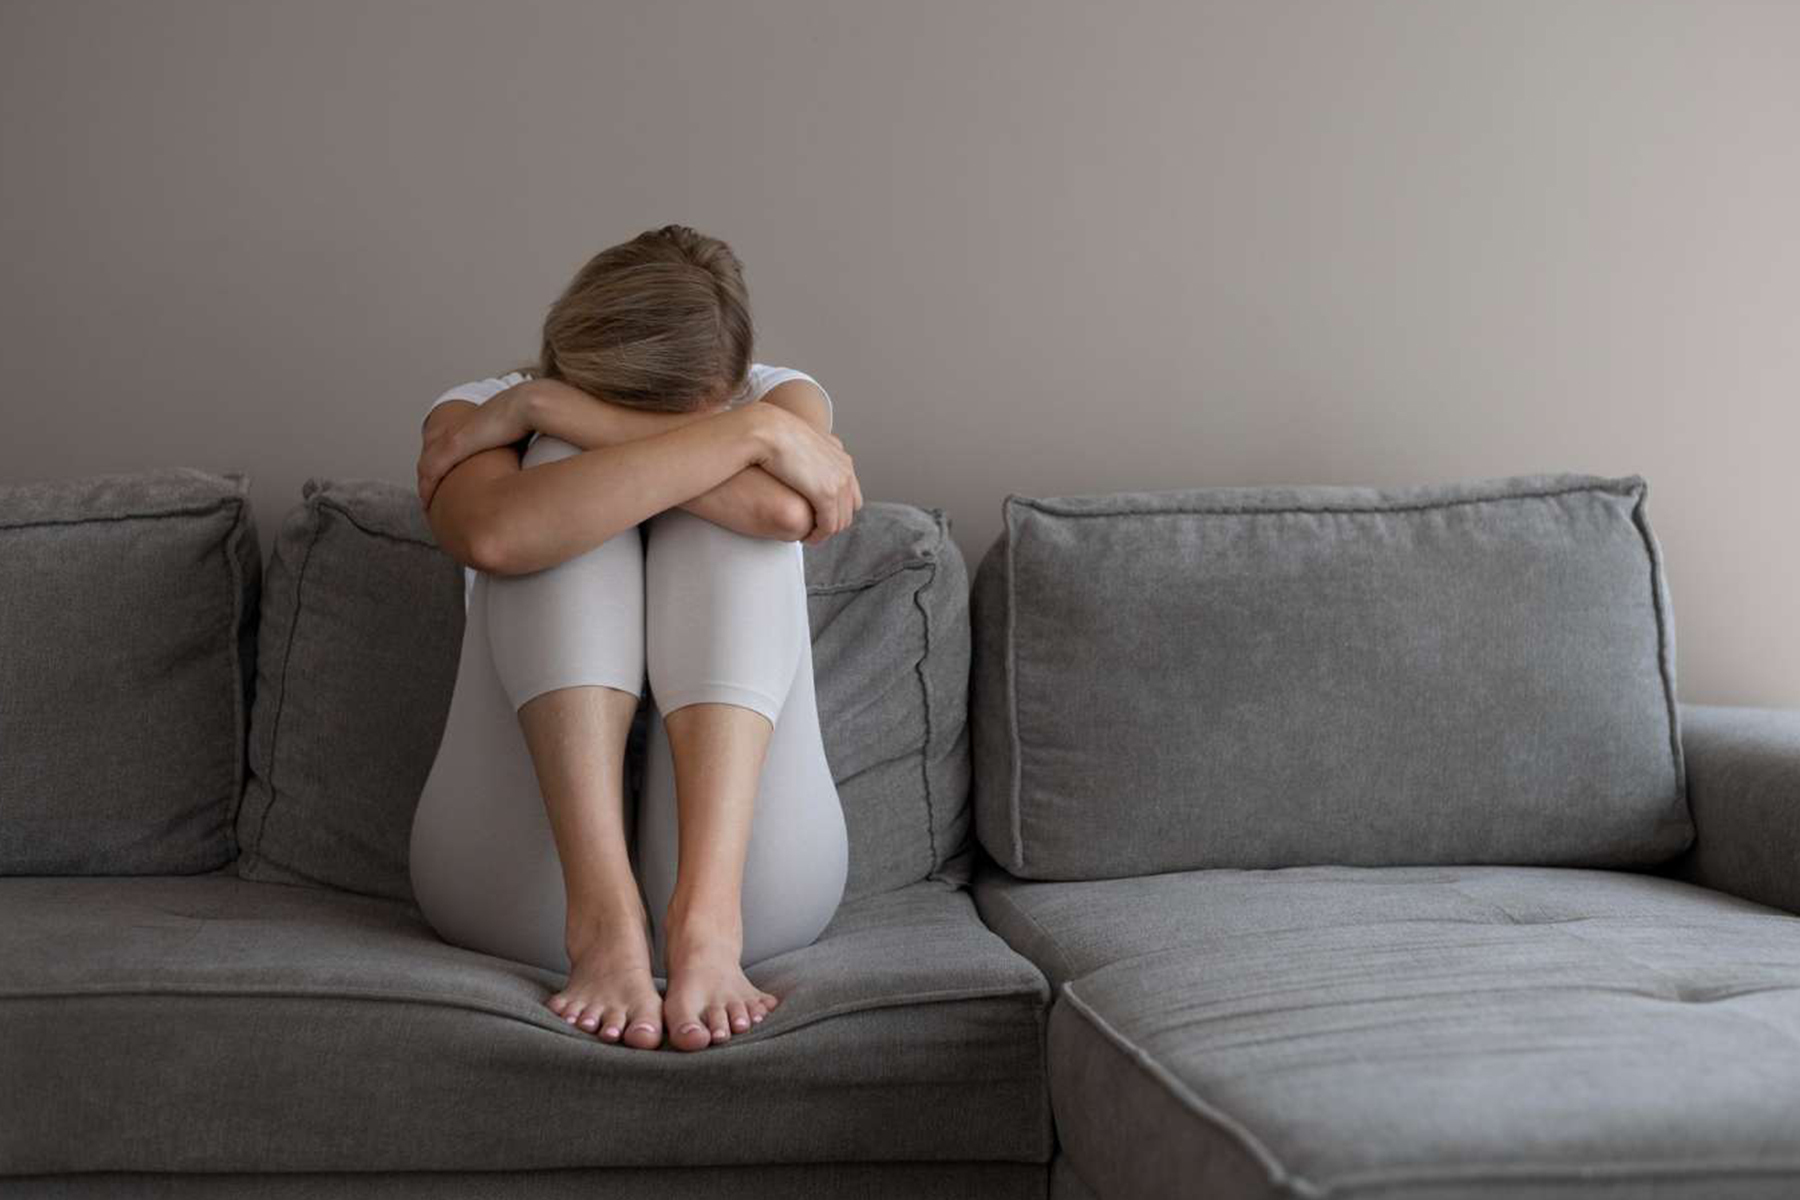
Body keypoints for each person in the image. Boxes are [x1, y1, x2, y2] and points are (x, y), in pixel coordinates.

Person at [408, 224, 861, 1054]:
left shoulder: (779, 398)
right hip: (520, 882)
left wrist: (554, 408)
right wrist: (730, 441)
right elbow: (497, 537)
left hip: (760, 888)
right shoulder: (475, 408)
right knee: (552, 474)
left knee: (726, 525)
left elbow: (782, 515)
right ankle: (605, 918)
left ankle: (705, 924)